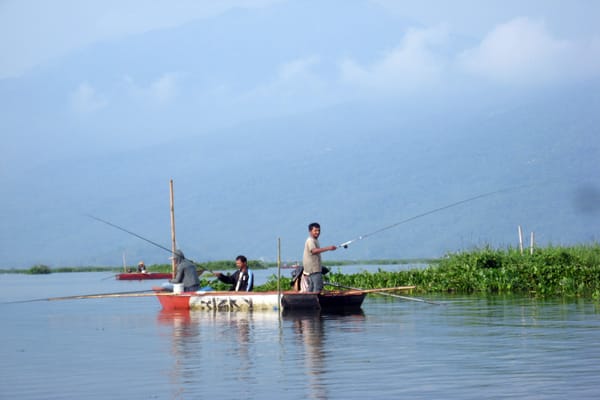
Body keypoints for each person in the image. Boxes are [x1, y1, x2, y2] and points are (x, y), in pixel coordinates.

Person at [302, 222, 336, 292]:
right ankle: (314, 301)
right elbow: (314, 251)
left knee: (311, 288)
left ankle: (308, 301)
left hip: (312, 270)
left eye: (319, 231)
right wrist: (328, 248)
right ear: (310, 231)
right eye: (315, 231)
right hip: (313, 270)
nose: (317, 232)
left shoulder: (315, 240)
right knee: (318, 287)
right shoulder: (310, 240)